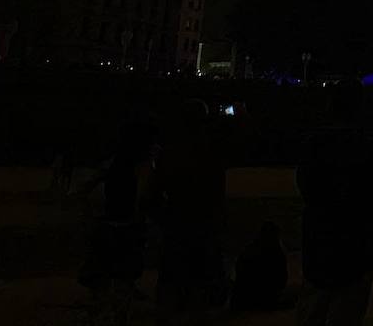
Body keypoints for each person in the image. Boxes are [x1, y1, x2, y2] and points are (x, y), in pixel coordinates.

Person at [295, 80, 373, 326]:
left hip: (319, 241)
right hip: (355, 243)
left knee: (313, 310)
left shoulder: (313, 144)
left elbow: (306, 188)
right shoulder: (369, 146)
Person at [151, 99, 228, 323]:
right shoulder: (212, 153)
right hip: (203, 225)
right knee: (201, 285)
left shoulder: (172, 152)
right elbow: (218, 192)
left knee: (173, 285)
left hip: (178, 222)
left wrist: (163, 218)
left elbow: (153, 193)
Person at [80, 117, 158, 326]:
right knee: (123, 280)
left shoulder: (114, 161)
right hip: (128, 228)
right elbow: (142, 197)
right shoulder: (143, 165)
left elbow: (85, 187)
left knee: (101, 279)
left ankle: (98, 315)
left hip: (107, 225)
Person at [230, 221, 288, 311]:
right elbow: (281, 280)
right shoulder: (275, 253)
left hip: (241, 301)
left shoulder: (248, 250)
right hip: (263, 301)